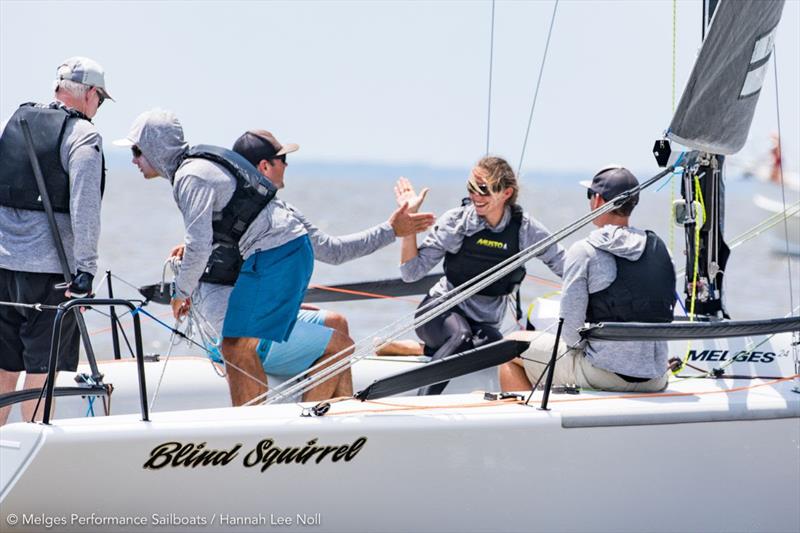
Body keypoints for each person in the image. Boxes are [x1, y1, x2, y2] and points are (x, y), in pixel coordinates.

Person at [117, 114, 433, 405]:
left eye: (136, 151)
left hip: (263, 277)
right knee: (240, 345)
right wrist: (186, 275)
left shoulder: (269, 212)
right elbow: (202, 245)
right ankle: (309, 424)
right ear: (262, 168)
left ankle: (305, 427)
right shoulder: (229, 199)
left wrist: (392, 230)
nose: (286, 166)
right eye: (282, 159)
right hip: (250, 294)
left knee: (294, 333)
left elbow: (331, 251)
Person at [0, 57, 112, 425]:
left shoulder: (14, 122)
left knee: (3, 366)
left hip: (3, 267)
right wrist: (86, 273)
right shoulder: (84, 136)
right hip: (52, 277)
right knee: (41, 370)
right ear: (91, 94)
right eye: (100, 99)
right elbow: (85, 208)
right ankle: (33, 453)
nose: (98, 108)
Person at [397, 156, 565, 395]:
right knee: (461, 336)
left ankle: (420, 350)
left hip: (483, 326)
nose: (476, 196)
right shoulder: (457, 223)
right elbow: (410, 273)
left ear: (506, 193)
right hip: (437, 311)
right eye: (471, 188)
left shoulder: (525, 230)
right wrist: (408, 227)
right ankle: (422, 400)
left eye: (484, 189)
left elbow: (566, 266)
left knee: (497, 346)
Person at [499, 166, 676, 393]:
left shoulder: (585, 251)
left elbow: (571, 334)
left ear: (598, 200)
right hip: (656, 377)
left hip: (603, 374)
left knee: (510, 347)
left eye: (590, 195)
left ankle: (531, 424)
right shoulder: (662, 251)